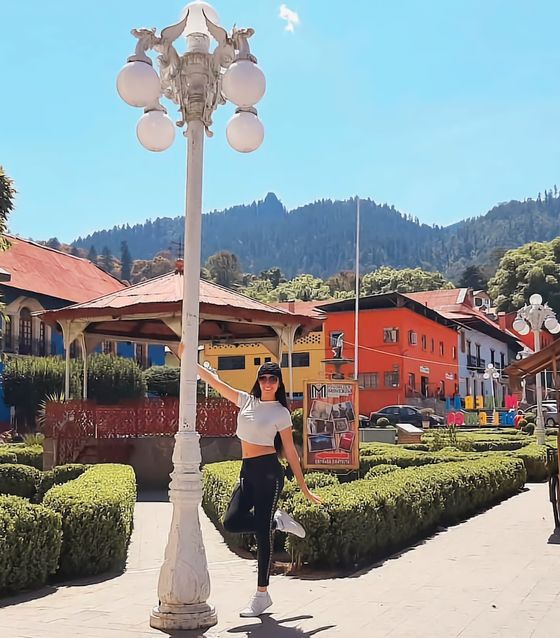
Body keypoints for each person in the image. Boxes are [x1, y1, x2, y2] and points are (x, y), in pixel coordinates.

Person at [197, 361, 322, 618]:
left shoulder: (281, 412)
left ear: (279, 383)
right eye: (263, 378)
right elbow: (215, 382)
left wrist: (304, 487)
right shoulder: (246, 401)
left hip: (269, 473)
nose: (267, 383)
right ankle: (278, 521)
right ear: (258, 381)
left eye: (272, 379)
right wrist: (188, 359)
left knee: (262, 535)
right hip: (247, 471)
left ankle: (262, 595)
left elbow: (290, 451)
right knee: (231, 522)